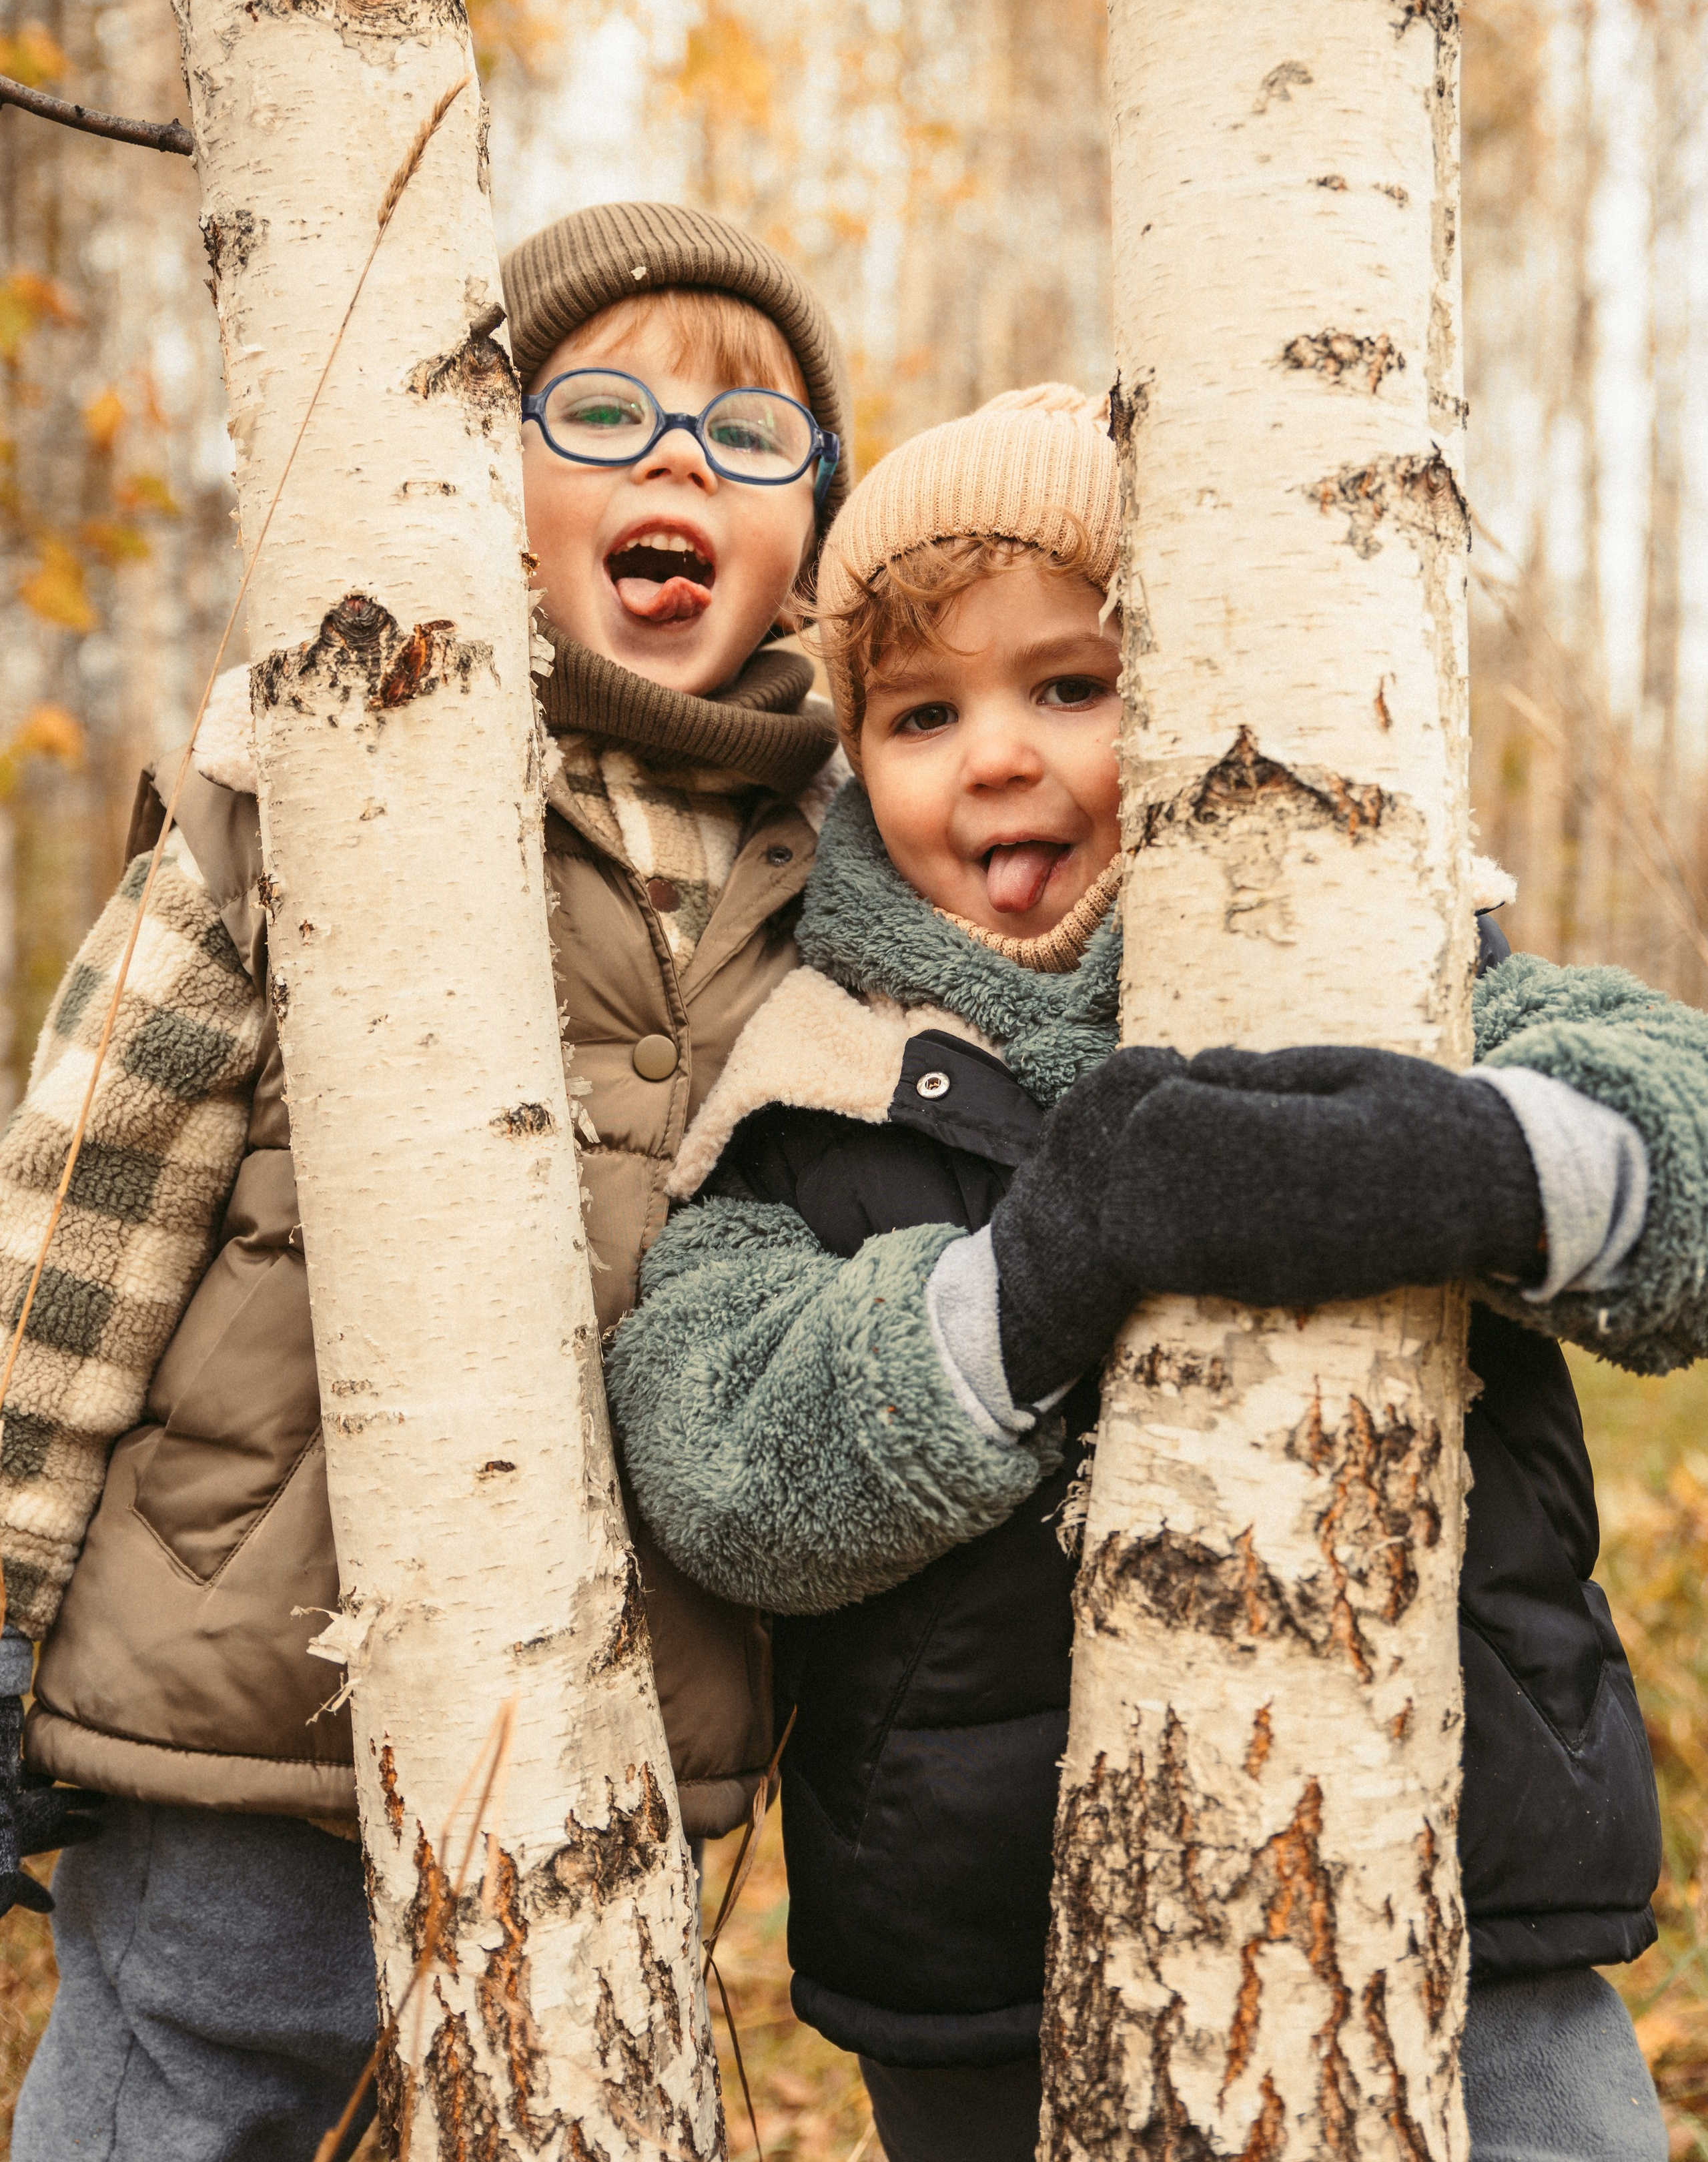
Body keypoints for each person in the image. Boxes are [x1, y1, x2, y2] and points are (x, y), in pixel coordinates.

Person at [606, 384, 1693, 2162]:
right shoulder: (814, 1078)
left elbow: (1685, 1144)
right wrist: (1032, 1274)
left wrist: (1474, 1164)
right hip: (989, 1964)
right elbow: (716, 1463)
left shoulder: (1391, 958)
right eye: (921, 712)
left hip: (1455, 1891)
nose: (997, 755)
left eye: (1073, 686)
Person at [0, 202, 851, 2160]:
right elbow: (80, 1216)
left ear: (809, 530)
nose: (672, 463)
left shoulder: (844, 853)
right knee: (192, 2079)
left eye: (746, 440)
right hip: (247, 1690)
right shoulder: (319, 762)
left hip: (606, 1720)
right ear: (475, 462)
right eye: (604, 411)